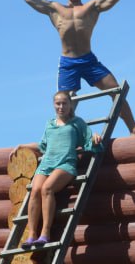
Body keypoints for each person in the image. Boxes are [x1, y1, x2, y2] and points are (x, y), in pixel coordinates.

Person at [23, 0, 135, 135]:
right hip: (68, 63)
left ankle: (134, 129)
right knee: (64, 103)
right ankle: (66, 138)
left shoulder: (91, 7)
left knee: (116, 91)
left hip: (89, 61)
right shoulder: (55, 9)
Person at [12, 90, 103, 248]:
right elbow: (42, 146)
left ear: (70, 104)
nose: (61, 106)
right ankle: (32, 235)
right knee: (35, 190)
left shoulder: (77, 123)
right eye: (58, 103)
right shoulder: (50, 124)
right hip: (47, 163)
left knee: (47, 189)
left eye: (64, 103)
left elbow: (89, 141)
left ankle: (45, 233)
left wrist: (95, 138)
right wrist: (22, 145)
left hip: (65, 164)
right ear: (54, 105)